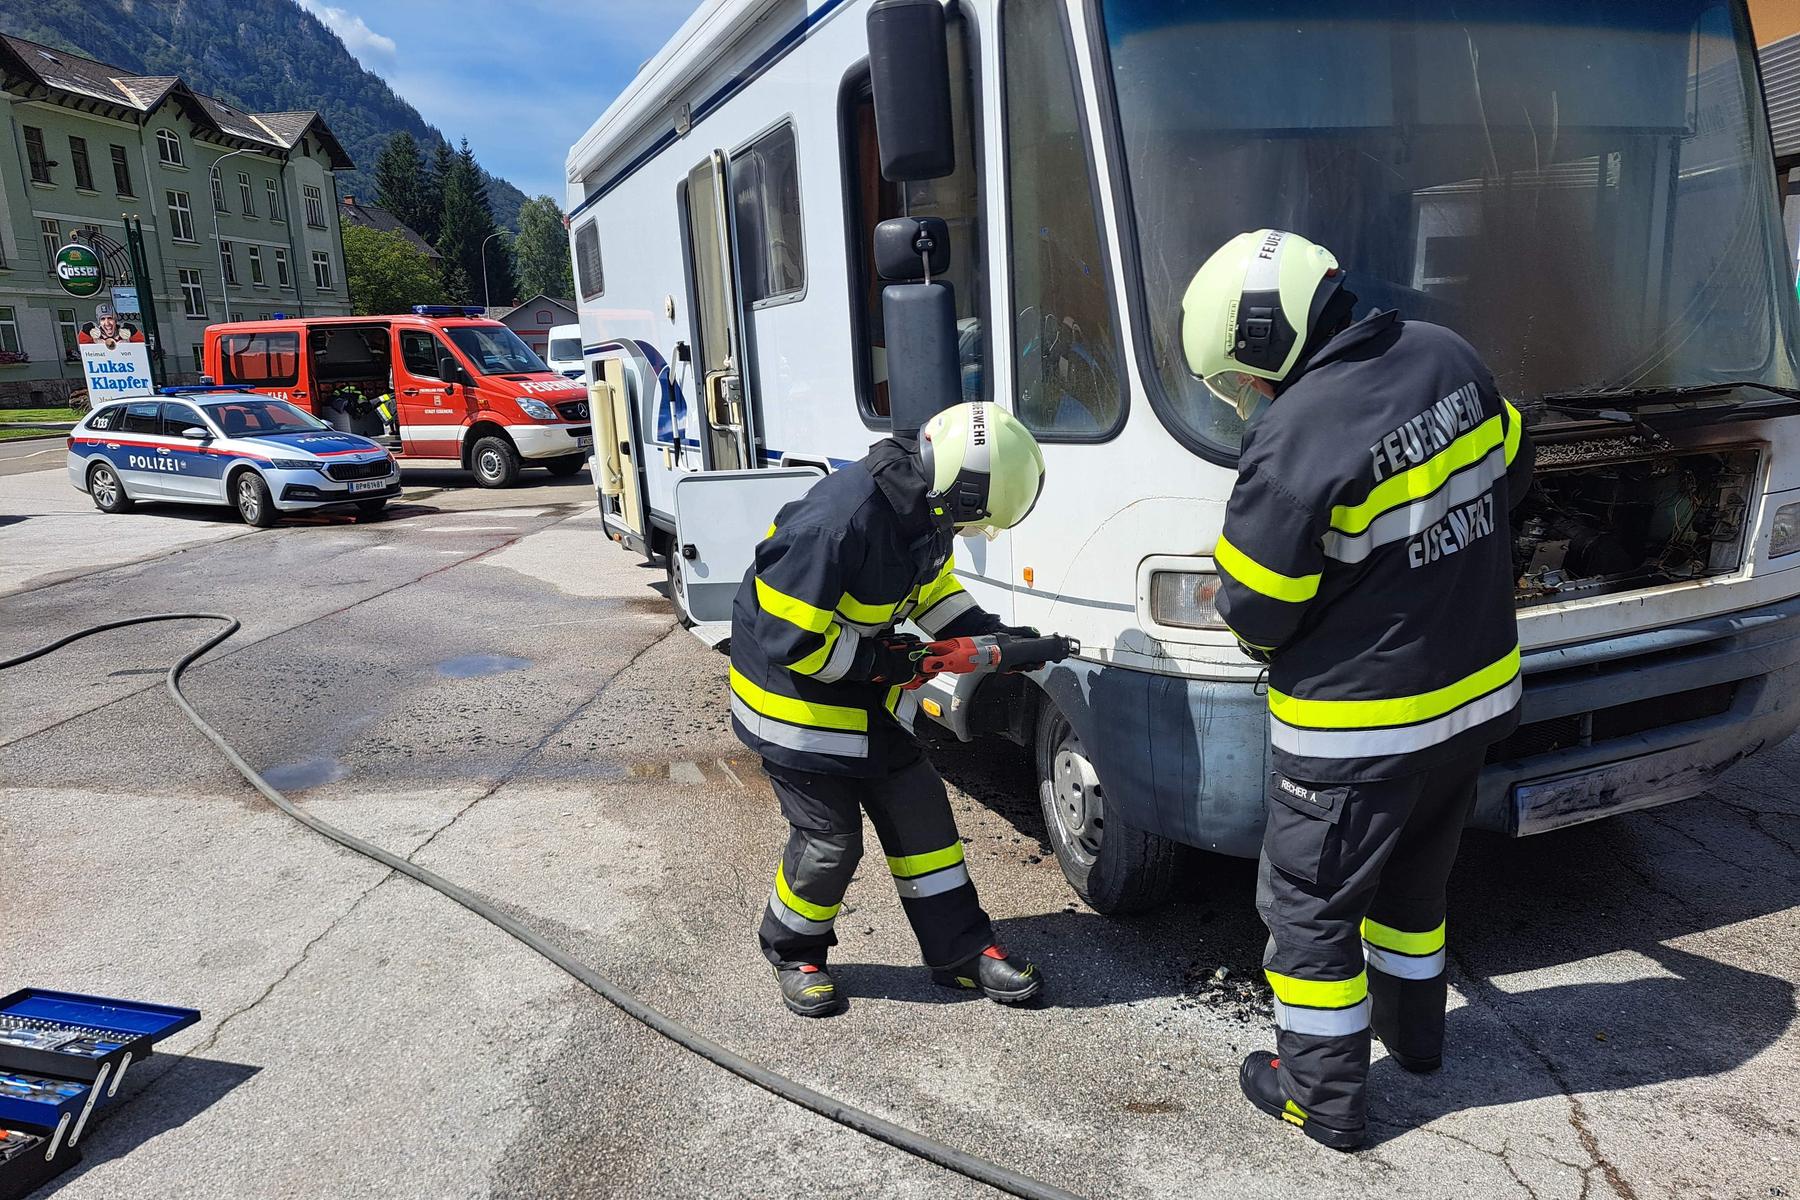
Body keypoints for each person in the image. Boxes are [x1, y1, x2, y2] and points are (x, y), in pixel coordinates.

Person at [1179, 229, 1533, 1149]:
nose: (1246, 396)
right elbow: (1513, 473)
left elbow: (1257, 609)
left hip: (1357, 730)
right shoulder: (1451, 355)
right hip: (1473, 700)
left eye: (1241, 378)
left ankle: (1321, 1097)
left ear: (1265, 348)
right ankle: (1415, 1041)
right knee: (1416, 884)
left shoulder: (1294, 437)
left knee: (1308, 909)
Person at [731, 401, 1052, 1017]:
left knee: (923, 819)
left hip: (860, 680)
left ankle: (960, 953)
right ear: (957, 494)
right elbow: (788, 639)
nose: (966, 532)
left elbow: (929, 589)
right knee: (831, 840)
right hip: (789, 697)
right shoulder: (834, 526)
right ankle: (794, 950)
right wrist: (884, 664)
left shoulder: (926, 509)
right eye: (972, 521)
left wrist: (992, 637)